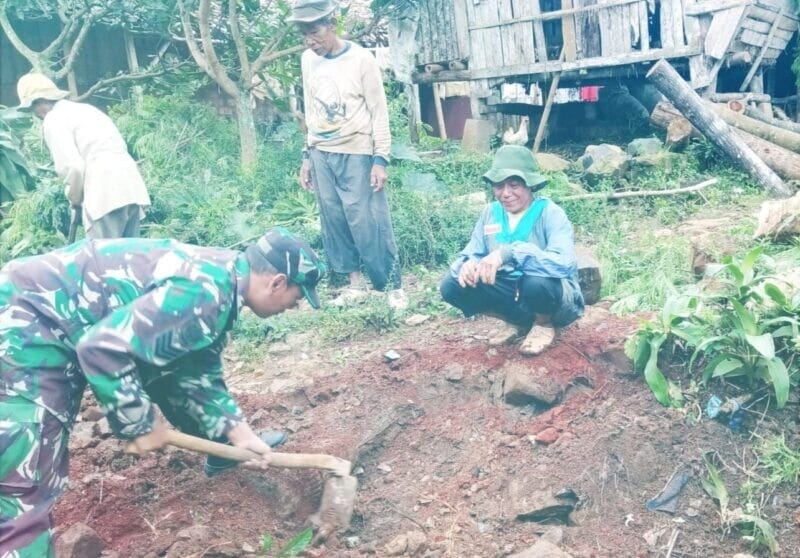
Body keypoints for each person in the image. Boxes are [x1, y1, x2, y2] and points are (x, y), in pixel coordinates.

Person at [0, 227, 325, 556]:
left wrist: (239, 436)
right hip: (28, 326)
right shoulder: (205, 295)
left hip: (45, 315)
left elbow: (195, 366)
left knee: (168, 367)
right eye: (297, 298)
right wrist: (138, 424)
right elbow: (101, 349)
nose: (293, 306)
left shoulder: (220, 281)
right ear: (277, 282)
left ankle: (220, 448)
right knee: (25, 482)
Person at [289, 0, 406, 309]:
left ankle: (390, 286)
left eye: (315, 33)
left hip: (357, 151)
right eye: (304, 35)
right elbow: (311, 110)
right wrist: (306, 155)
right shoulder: (307, 60)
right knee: (334, 219)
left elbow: (378, 110)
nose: (310, 41)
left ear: (332, 26)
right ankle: (355, 283)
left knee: (367, 219)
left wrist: (381, 158)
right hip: (321, 152)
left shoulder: (361, 59)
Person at [440, 145, 584, 355]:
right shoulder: (490, 213)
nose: (505, 193)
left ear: (529, 185)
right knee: (451, 286)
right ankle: (516, 321)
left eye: (514, 185)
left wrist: (510, 253)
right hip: (512, 294)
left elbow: (564, 264)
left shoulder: (550, 213)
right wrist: (468, 264)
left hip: (554, 297)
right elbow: (473, 251)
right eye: (499, 186)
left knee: (536, 280)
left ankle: (543, 324)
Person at [16, 73, 151, 239]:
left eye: (32, 109)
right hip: (131, 187)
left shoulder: (54, 119)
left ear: (37, 103)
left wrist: (75, 200)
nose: (35, 114)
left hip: (104, 192)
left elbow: (73, 167)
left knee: (102, 260)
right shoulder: (87, 110)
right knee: (128, 259)